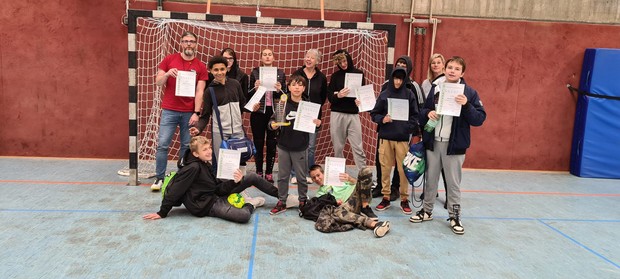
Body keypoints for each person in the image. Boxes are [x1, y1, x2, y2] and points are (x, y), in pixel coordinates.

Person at [410, 56, 486, 235]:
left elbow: (479, 119)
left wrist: (466, 105)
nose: (452, 71)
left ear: (462, 72)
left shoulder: (469, 93)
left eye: (457, 68)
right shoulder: (436, 89)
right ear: (444, 69)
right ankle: (427, 211)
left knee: (453, 184)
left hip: (454, 147)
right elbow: (421, 112)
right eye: (450, 67)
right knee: (431, 180)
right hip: (433, 143)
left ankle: (454, 216)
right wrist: (428, 113)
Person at [142, 136, 278, 223]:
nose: (208, 152)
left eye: (209, 148)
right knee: (243, 216)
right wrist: (162, 212)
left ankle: (283, 197)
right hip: (206, 206)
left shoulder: (205, 163)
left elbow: (217, 187)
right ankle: (251, 204)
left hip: (215, 195)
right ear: (195, 153)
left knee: (252, 177)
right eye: (204, 149)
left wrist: (235, 182)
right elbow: (175, 191)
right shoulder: (192, 168)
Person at [151, 31, 209, 191]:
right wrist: (168, 74)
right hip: (169, 110)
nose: (189, 44)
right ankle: (159, 178)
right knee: (163, 144)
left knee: (185, 145)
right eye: (185, 41)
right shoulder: (169, 60)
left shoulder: (200, 66)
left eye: (192, 41)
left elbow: (200, 91)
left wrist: (196, 113)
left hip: (188, 112)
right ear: (181, 43)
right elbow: (158, 82)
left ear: (196, 44)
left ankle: (182, 177)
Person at [268, 74, 321, 215]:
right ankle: (282, 201)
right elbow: (272, 121)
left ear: (304, 88)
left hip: (300, 146)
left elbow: (314, 127)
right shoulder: (282, 104)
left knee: (301, 177)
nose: (297, 87)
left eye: (300, 85)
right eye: (294, 84)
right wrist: (272, 125)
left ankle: (302, 200)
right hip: (283, 146)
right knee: (283, 176)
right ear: (289, 87)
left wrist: (318, 124)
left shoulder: (309, 106)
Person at [372, 55, 423, 201]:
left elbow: (416, 114)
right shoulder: (385, 92)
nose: (398, 81)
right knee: (384, 165)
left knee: (402, 168)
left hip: (402, 137)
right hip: (385, 135)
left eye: (401, 78)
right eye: (396, 78)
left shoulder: (411, 92)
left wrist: (407, 128)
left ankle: (402, 195)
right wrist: (383, 119)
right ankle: (384, 192)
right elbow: (375, 113)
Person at [190, 56, 246, 168]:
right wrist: (198, 128)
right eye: (216, 70)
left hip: (238, 131)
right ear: (210, 71)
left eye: (222, 69)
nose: (219, 72)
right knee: (222, 163)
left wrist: (252, 108)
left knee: (238, 163)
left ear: (227, 69)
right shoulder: (209, 91)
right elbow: (205, 116)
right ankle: (221, 184)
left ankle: (237, 185)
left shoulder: (235, 84)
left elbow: (242, 105)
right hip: (220, 133)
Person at [310, 166, 390, 238]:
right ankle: (376, 224)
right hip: (346, 206)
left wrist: (349, 179)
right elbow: (327, 206)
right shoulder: (319, 194)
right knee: (337, 212)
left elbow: (359, 183)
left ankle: (365, 207)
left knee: (365, 170)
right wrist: (335, 202)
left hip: (359, 197)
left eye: (318, 175)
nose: (316, 179)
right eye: (313, 178)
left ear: (324, 173)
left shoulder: (339, 178)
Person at [248, 48, 286, 183]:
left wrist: (279, 89)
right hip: (258, 112)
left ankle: (269, 172)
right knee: (258, 142)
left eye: (270, 54)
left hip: (274, 113)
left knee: (272, 142)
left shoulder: (280, 73)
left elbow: (285, 95)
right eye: (265, 54)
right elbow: (248, 94)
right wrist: (255, 88)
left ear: (274, 58)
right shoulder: (255, 72)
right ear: (261, 58)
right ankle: (259, 171)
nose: (267, 57)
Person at [327, 49, 367, 172]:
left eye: (344, 61)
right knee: (338, 148)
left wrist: (360, 101)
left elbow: (363, 94)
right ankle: (339, 175)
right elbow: (330, 97)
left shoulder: (359, 74)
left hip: (353, 115)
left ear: (348, 59)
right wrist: (338, 95)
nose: (343, 64)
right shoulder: (335, 76)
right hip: (337, 114)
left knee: (358, 147)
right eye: (340, 63)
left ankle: (364, 175)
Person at [419, 53, 448, 207]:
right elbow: (424, 106)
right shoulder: (426, 83)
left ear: (443, 65)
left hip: (444, 127)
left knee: (445, 165)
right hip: (429, 126)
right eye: (433, 63)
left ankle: (449, 195)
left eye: (438, 62)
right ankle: (431, 190)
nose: (436, 65)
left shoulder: (448, 81)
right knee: (430, 162)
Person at [293, 49, 328, 172]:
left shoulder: (321, 78)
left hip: (313, 117)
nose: (308, 59)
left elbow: (323, 97)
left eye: (312, 58)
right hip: (298, 115)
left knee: (311, 146)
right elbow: (291, 91)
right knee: (296, 144)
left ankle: (309, 172)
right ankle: (294, 173)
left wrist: (315, 111)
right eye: (307, 56)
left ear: (317, 61)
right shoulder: (297, 74)